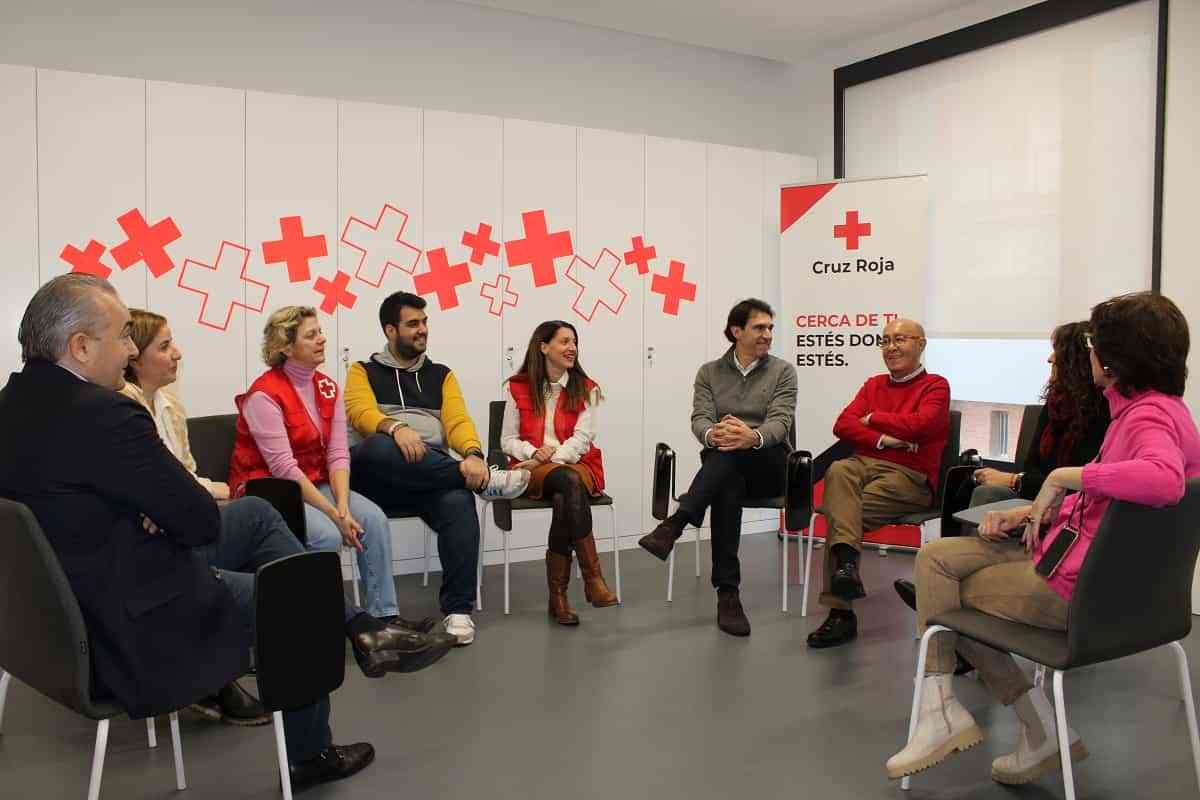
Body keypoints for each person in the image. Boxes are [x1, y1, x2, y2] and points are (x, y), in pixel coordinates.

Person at [0, 275, 448, 792]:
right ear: (79, 347)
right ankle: (311, 747)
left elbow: (81, 500)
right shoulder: (104, 415)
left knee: (256, 512)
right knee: (296, 601)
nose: (129, 350)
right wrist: (158, 507)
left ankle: (361, 626)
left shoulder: (13, 405)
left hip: (63, 608)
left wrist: (150, 506)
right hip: (131, 612)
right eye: (123, 336)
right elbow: (199, 519)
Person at [886, 291, 1200, 786]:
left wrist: (1065, 477)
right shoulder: (1153, 410)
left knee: (946, 600)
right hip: (1105, 578)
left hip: (1086, 592)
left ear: (1116, 359)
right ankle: (961, 712)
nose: (1087, 351)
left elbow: (1163, 481)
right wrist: (1035, 510)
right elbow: (1109, 505)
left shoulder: (1147, 417)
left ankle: (1027, 725)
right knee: (935, 560)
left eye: (1095, 342)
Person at [346, 292, 529, 646]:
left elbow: (457, 421)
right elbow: (361, 414)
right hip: (376, 477)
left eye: (424, 322)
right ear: (390, 330)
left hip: (427, 475)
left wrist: (474, 453)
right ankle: (486, 481)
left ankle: (459, 611)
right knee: (379, 446)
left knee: (459, 502)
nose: (422, 330)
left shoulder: (441, 376)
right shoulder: (362, 371)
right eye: (413, 324)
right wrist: (397, 429)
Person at [893, 321, 1110, 612]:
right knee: (981, 489)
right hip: (1040, 493)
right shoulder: (1053, 406)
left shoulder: (1104, 412)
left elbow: (1073, 483)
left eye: (1057, 351)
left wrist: (1014, 481)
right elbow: (1035, 471)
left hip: (1070, 506)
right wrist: (1021, 481)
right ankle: (954, 574)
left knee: (990, 494)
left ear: (1075, 360)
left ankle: (951, 584)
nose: (1050, 359)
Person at [229, 306, 400, 621]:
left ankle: (382, 619)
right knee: (327, 534)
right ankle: (323, 622)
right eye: (311, 335)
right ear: (285, 347)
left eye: (320, 332)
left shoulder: (327, 387)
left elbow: (338, 453)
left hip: (313, 481)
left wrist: (344, 507)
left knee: (372, 519)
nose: (322, 339)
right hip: (270, 490)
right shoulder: (263, 395)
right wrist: (334, 515)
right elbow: (283, 468)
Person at [638, 299, 796, 637]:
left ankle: (676, 523)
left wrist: (749, 435)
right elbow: (700, 420)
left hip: (768, 464)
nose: (768, 334)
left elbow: (781, 424)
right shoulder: (709, 372)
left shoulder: (783, 371)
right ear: (736, 332)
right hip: (726, 466)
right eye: (759, 328)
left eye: (770, 328)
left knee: (725, 459)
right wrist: (714, 434)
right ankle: (728, 594)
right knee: (726, 480)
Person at [805, 318, 950, 649]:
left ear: (922, 344)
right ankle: (845, 572)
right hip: (862, 465)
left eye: (900, 339)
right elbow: (842, 425)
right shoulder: (873, 385)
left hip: (910, 478)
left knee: (841, 516)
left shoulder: (936, 386)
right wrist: (886, 439)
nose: (891, 347)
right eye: (885, 341)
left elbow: (921, 425)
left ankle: (841, 614)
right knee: (839, 469)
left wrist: (871, 420)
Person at [501, 320, 619, 625]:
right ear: (543, 347)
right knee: (568, 483)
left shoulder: (591, 389)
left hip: (578, 464)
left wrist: (552, 456)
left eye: (574, 342)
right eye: (564, 341)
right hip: (535, 469)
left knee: (567, 489)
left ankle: (559, 597)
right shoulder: (515, 387)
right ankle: (592, 578)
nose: (572, 348)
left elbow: (583, 438)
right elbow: (507, 440)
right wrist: (531, 453)